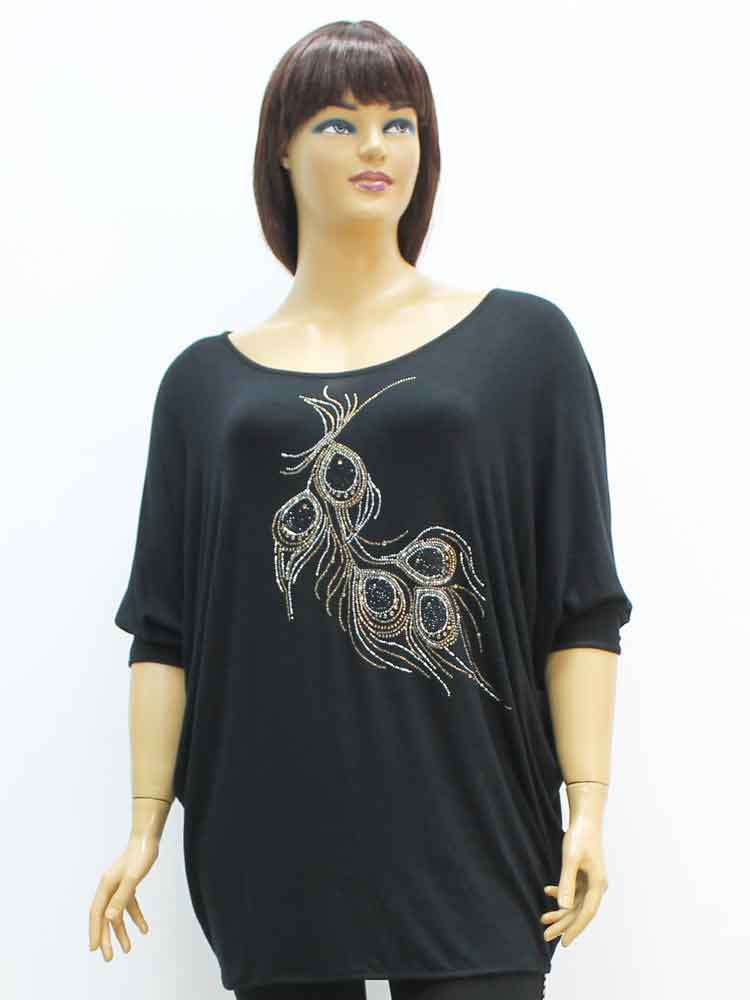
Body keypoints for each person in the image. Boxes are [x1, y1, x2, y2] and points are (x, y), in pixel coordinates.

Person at [89, 19, 632, 1000]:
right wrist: (143, 825)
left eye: (399, 122)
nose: (375, 144)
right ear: (282, 150)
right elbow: (163, 632)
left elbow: (581, 602)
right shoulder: (203, 387)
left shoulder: (524, 347)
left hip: (474, 826)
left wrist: (587, 804)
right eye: (338, 123)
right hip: (270, 835)